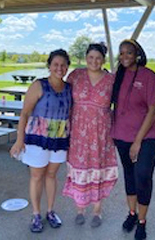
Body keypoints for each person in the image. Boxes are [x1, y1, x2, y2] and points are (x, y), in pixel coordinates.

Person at [10, 49, 72, 233]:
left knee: (52, 176)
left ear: (67, 67)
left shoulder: (69, 88)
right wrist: (19, 140)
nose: (59, 68)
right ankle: (36, 214)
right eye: (56, 64)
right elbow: (25, 113)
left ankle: (50, 211)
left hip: (59, 139)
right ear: (49, 66)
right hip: (37, 138)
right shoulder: (39, 85)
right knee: (37, 176)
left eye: (63, 65)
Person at [62, 43, 118, 228]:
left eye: (98, 58)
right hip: (78, 133)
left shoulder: (111, 79)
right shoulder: (75, 75)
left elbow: (120, 105)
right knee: (80, 169)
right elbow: (63, 98)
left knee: (98, 170)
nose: (94, 61)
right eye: (91, 57)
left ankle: (97, 211)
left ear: (103, 59)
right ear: (86, 57)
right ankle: (80, 209)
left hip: (101, 134)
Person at [111, 39, 155, 240]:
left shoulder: (149, 76)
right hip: (122, 134)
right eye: (121, 53)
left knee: (142, 176)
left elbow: (153, 110)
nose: (124, 57)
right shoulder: (118, 76)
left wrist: (138, 142)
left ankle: (142, 220)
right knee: (130, 175)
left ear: (137, 54)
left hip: (147, 136)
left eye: (129, 53)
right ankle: (132, 213)